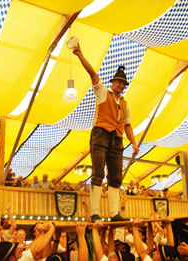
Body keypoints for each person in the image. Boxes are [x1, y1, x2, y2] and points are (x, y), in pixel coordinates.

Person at [73, 43, 139, 223]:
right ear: (112, 83)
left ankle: (114, 213)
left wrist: (133, 143)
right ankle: (95, 213)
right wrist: (80, 54)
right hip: (101, 133)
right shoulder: (103, 93)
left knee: (116, 176)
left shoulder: (125, 104)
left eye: (123, 83)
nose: (121, 85)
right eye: (118, 82)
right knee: (97, 173)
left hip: (117, 139)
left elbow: (127, 125)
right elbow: (93, 74)